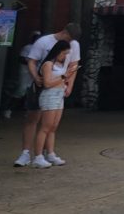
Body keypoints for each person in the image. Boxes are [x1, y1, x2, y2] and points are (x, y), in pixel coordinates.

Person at [15, 23, 81, 168]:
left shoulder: (74, 45)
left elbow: (74, 65)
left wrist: (69, 85)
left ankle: (48, 152)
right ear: (64, 32)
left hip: (58, 87)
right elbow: (31, 61)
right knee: (33, 118)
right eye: (68, 39)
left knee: (51, 124)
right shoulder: (44, 42)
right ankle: (26, 153)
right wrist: (35, 77)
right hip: (42, 85)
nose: (70, 43)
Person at [31, 40, 77, 168]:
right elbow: (47, 83)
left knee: (53, 127)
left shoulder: (59, 65)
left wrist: (67, 77)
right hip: (49, 95)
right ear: (58, 52)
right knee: (45, 127)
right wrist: (63, 77)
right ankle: (38, 156)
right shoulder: (48, 64)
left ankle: (50, 153)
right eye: (64, 53)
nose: (65, 56)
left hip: (59, 95)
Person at [4, 31, 42, 119]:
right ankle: (8, 109)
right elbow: (21, 59)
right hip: (25, 72)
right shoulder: (27, 47)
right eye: (35, 37)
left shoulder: (41, 48)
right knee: (21, 90)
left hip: (35, 73)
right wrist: (31, 62)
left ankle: (28, 111)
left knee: (32, 92)